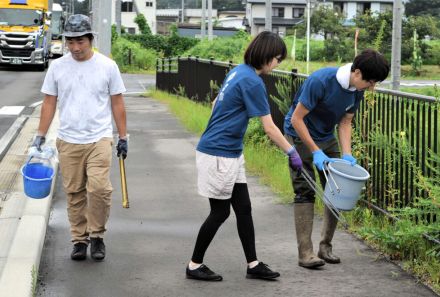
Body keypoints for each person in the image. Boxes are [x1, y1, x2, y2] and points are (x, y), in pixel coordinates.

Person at [186, 31, 303, 282]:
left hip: (229, 151)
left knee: (244, 209)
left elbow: (216, 101)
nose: (278, 64)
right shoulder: (252, 82)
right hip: (219, 154)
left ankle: (253, 264)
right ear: (269, 57)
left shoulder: (240, 71)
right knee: (220, 212)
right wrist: (291, 151)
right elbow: (270, 128)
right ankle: (194, 265)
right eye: (278, 59)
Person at [32, 14, 128, 261]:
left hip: (99, 138)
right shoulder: (58, 67)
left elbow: (117, 103)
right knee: (74, 192)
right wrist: (40, 136)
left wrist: (123, 136)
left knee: (98, 189)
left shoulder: (107, 66)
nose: (75, 47)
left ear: (90, 39)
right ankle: (79, 240)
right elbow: (49, 102)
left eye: (80, 42)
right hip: (68, 139)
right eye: (70, 42)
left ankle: (97, 236)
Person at [284, 49, 390, 268]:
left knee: (337, 189)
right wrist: (315, 151)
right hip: (298, 134)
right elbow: (296, 119)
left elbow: (345, 122)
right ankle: (305, 253)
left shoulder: (355, 90)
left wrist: (347, 153)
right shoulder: (320, 81)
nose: (372, 87)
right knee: (304, 190)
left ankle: (325, 247)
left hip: (325, 136)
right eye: (370, 82)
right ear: (357, 73)